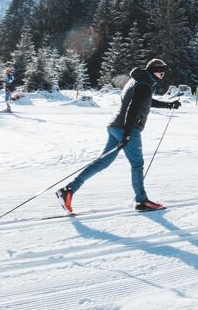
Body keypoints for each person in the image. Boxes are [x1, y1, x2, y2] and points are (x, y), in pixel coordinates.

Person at [57, 58, 180, 213]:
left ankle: (69, 190)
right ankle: (142, 201)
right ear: (152, 70)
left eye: (164, 71)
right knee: (137, 164)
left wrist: (169, 104)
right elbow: (133, 108)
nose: (163, 74)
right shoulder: (144, 84)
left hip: (115, 126)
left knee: (102, 163)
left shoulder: (139, 81)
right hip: (127, 128)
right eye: (160, 70)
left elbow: (145, 101)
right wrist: (127, 133)